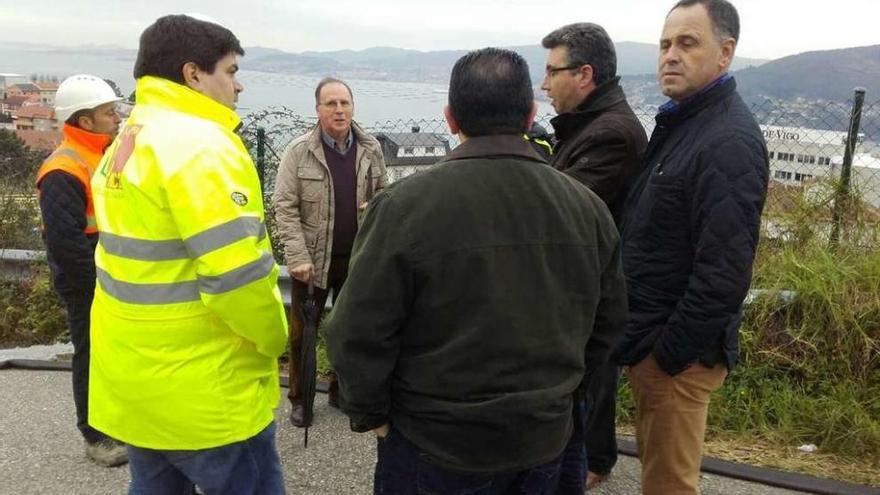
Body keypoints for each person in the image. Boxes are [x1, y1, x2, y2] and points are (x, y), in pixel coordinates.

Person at [324, 47, 628, 494]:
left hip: (432, 442)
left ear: (449, 118)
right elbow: (609, 322)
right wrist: (561, 396)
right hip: (543, 438)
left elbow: (356, 332)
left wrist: (374, 416)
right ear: (529, 115)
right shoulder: (586, 208)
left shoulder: (404, 207)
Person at [88, 14, 288, 493]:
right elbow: (236, 276)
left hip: (136, 382)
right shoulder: (202, 148)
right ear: (193, 73)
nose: (238, 86)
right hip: (205, 390)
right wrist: (278, 338)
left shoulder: (129, 138)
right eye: (231, 71)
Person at [614, 1, 769, 493]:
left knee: (669, 485)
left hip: (678, 358)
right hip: (653, 341)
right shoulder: (686, 123)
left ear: (725, 53)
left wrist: (666, 356)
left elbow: (724, 273)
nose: (670, 56)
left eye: (687, 43)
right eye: (664, 44)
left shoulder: (727, 140)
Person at [540, 22, 648, 488]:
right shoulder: (589, 126)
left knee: (589, 384)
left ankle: (590, 464)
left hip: (591, 292)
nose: (544, 85)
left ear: (584, 75)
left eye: (551, 72)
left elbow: (563, 214)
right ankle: (590, 458)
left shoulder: (611, 134)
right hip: (587, 291)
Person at [272, 77, 387, 427]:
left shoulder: (371, 149)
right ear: (318, 109)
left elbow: (385, 195)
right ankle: (300, 399)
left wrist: (374, 205)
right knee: (302, 336)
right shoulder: (298, 151)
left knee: (350, 332)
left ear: (353, 107)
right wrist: (297, 257)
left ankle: (341, 392)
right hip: (312, 261)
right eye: (331, 104)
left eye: (345, 103)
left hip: (357, 258)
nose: (339, 110)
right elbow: (285, 206)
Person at [35, 74, 125, 467]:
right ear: (85, 121)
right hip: (86, 279)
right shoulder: (63, 168)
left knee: (115, 354)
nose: (117, 117)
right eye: (109, 112)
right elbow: (67, 243)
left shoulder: (104, 153)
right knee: (91, 353)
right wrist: (97, 287)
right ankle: (95, 435)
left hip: (111, 273)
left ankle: (119, 423)